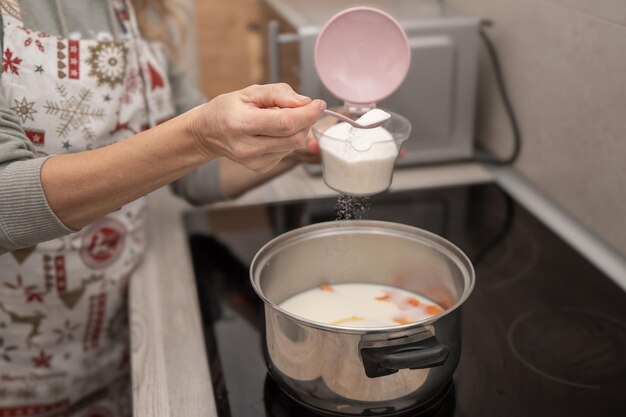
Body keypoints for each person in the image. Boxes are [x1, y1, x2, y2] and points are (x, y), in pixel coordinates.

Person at [0, 1, 325, 416]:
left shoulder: (139, 11)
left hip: (122, 335)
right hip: (19, 369)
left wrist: (299, 146)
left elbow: (198, 174)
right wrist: (199, 136)